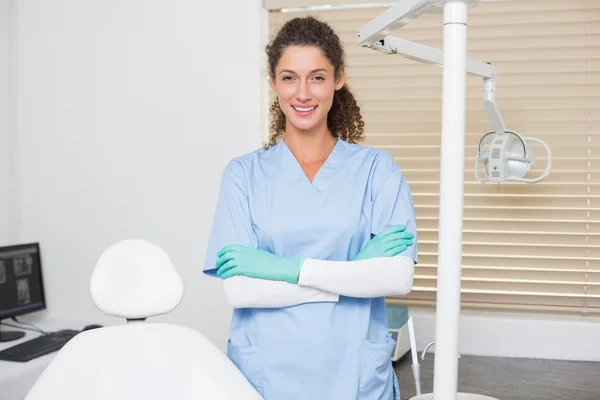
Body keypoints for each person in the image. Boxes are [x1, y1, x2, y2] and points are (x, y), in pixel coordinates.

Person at [203, 15, 418, 400]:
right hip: (268, 372)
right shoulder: (242, 175)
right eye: (289, 77)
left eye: (317, 77)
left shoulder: (376, 170)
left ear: (338, 79)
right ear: (273, 82)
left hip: (353, 370)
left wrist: (287, 269)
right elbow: (239, 290)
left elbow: (397, 278)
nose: (303, 93)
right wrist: (351, 275)